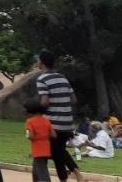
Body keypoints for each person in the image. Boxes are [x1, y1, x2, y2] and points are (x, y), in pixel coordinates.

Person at [36, 51, 83, 182]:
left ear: (42, 62)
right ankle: (66, 178)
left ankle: (77, 173)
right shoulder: (62, 77)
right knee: (58, 152)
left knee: (57, 152)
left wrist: (35, 108)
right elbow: (73, 99)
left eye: (38, 60)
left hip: (52, 123)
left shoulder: (42, 79)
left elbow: (44, 101)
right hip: (67, 122)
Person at [26, 98, 57, 182]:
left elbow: (30, 136)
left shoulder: (30, 121)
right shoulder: (46, 121)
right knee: (36, 170)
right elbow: (53, 135)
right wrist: (44, 135)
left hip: (37, 149)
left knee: (42, 171)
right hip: (46, 148)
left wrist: (32, 136)